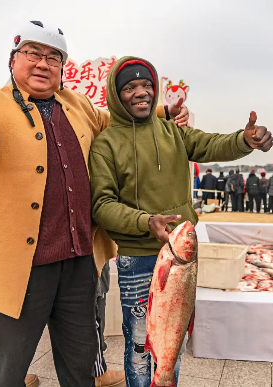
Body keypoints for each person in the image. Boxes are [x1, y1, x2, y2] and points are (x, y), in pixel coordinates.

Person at [0, 21, 189, 387]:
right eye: (32, 53)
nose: (43, 63)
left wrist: (163, 111)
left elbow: (113, 117)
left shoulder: (75, 103)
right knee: (7, 370)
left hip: (79, 262)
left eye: (54, 57)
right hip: (17, 265)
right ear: (13, 59)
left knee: (79, 367)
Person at [89, 56, 272, 387]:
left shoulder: (174, 132)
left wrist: (245, 140)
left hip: (183, 259)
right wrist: (146, 221)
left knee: (172, 342)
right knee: (140, 347)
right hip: (139, 259)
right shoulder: (106, 144)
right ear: (116, 96)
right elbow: (102, 205)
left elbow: (212, 144)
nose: (140, 92)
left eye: (146, 85)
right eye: (129, 87)